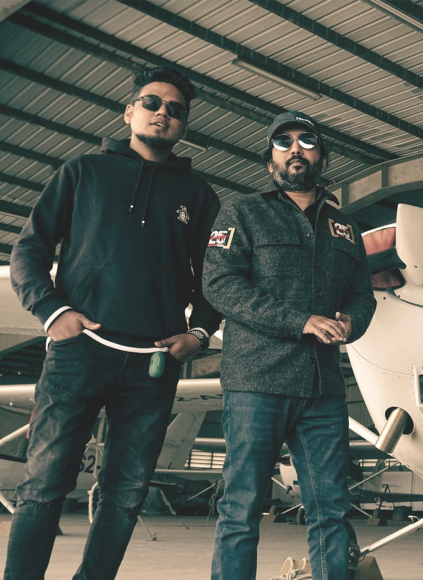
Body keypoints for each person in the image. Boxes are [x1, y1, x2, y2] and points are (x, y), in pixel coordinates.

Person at [6, 66, 221, 580]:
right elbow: (29, 250)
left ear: (183, 125)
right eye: (152, 103)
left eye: (175, 110)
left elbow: (218, 278)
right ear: (129, 112)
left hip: (153, 365)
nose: (162, 113)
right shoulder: (82, 172)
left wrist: (199, 333)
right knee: (43, 483)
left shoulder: (199, 195)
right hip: (78, 354)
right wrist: (53, 311)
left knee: (125, 494)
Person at [203, 110, 376, 580]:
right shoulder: (242, 212)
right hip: (256, 381)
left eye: (306, 141)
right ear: (270, 161)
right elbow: (220, 284)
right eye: (283, 142)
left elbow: (362, 295)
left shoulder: (345, 227)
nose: (295, 149)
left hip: (322, 388)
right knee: (241, 506)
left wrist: (353, 320)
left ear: (323, 158)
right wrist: (300, 321)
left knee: (331, 509)